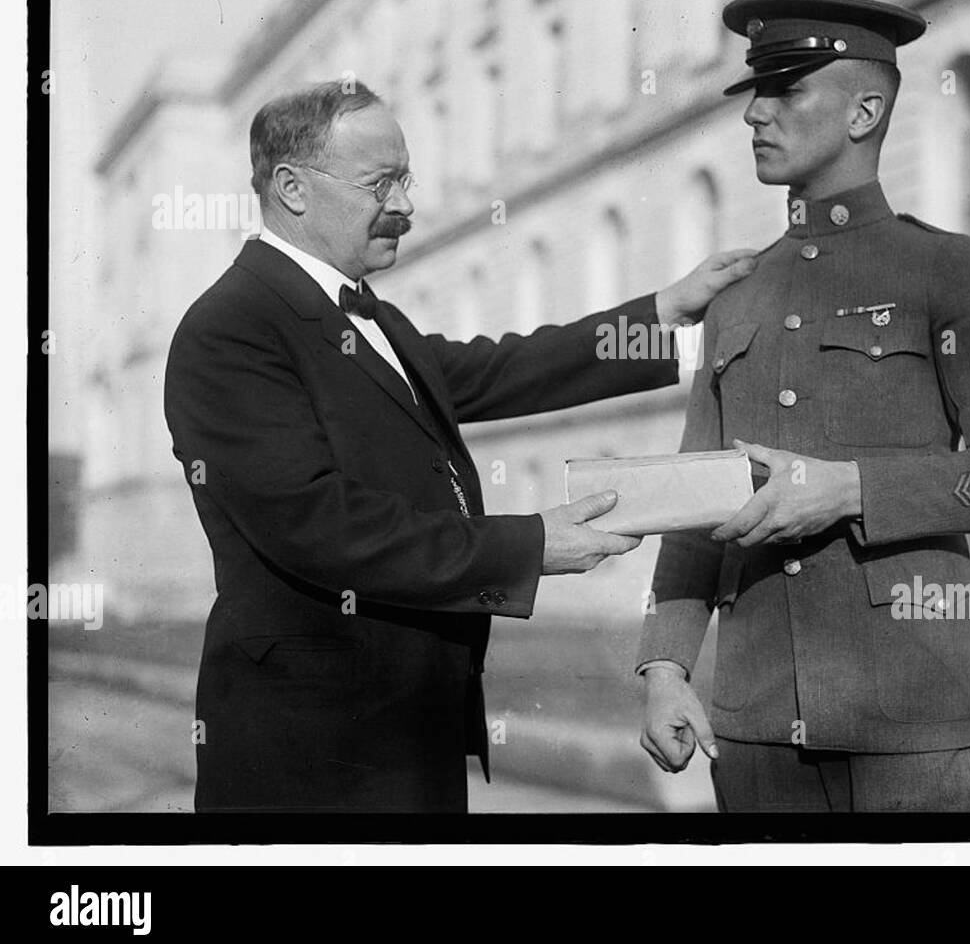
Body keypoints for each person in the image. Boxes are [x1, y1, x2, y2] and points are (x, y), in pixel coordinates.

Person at [163, 79, 754, 814]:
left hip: (407, 735)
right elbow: (319, 527)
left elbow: (500, 368)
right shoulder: (232, 329)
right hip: (309, 757)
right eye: (381, 183)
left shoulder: (367, 315)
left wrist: (662, 315)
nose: (407, 205)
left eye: (405, 179)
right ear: (291, 188)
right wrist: (529, 545)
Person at [636, 0, 970, 813]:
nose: (757, 112)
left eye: (788, 89)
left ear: (866, 110)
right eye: (757, 92)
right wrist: (664, 669)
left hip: (913, 715)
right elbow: (695, 501)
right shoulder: (736, 291)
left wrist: (851, 489)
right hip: (755, 722)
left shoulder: (941, 268)